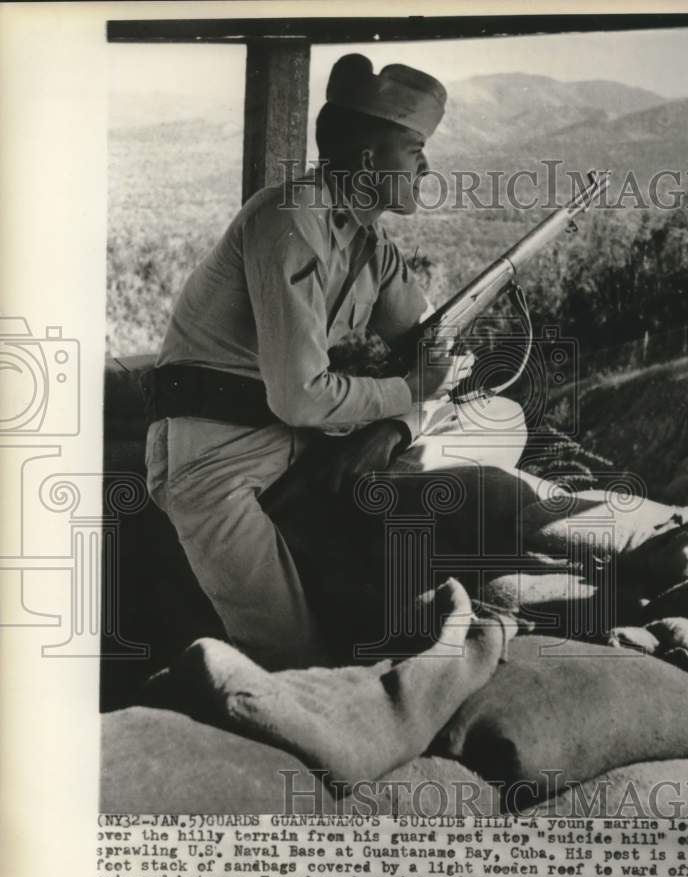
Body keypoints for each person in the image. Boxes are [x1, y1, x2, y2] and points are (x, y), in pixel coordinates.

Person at [143, 53, 527, 669]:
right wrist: (409, 392)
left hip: (304, 441)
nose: (426, 167)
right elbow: (300, 394)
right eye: (414, 149)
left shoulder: (372, 246)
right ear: (369, 160)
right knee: (293, 658)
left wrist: (392, 429)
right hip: (214, 459)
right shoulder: (291, 219)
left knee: (500, 415)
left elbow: (439, 358)